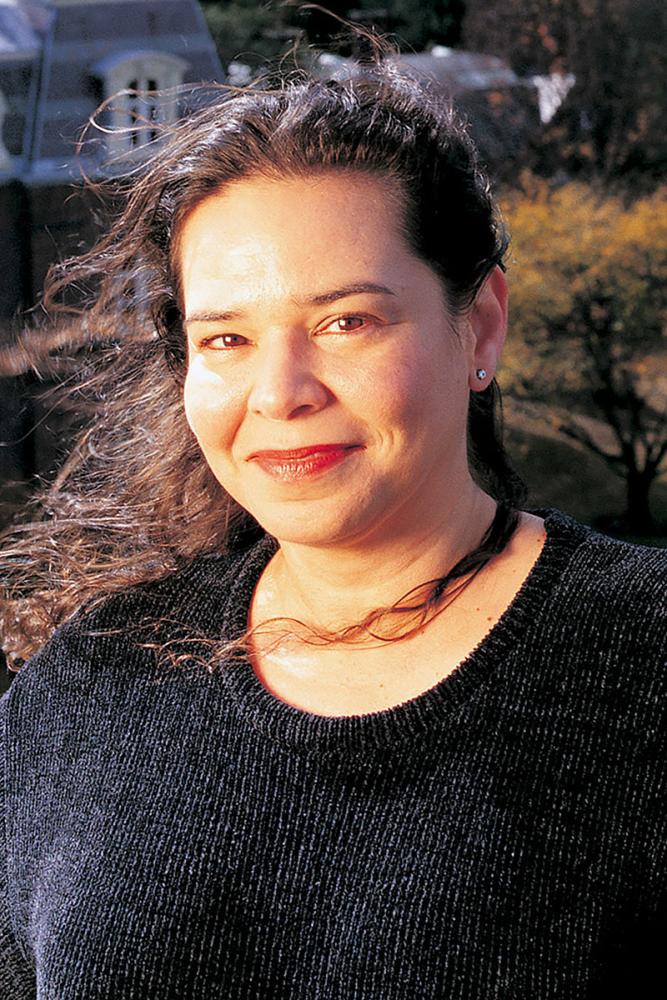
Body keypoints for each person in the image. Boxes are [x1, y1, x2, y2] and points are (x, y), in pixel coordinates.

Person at [0, 53, 664, 1000]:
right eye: (225, 339)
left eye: (347, 322)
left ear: (478, 326)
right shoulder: (93, 681)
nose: (280, 393)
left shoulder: (643, 661)